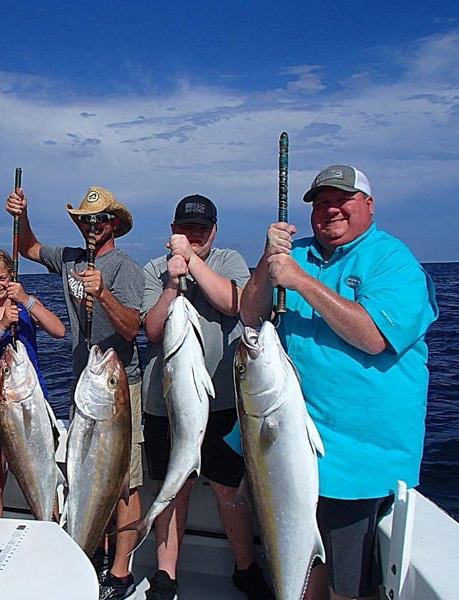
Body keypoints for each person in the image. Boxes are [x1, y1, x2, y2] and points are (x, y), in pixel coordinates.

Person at [239, 165, 438, 600]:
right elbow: (249, 315)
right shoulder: (298, 253)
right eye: (321, 202)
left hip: (356, 460)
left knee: (347, 585)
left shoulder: (392, 260)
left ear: (368, 205)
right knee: (297, 570)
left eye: (342, 200)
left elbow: (373, 337)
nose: (330, 210)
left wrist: (299, 281)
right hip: (289, 446)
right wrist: (266, 262)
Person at [6, 185, 143, 600]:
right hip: (84, 388)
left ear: (114, 224)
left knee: (125, 481)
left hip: (119, 388)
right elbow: (26, 246)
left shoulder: (125, 268)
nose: (91, 225)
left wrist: (103, 292)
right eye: (85, 219)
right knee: (85, 474)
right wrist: (22, 213)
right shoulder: (68, 259)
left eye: (99, 219)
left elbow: (133, 329)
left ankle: (120, 574)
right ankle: (91, 557)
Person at [141, 195, 274, 600]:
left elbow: (236, 304)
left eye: (200, 229)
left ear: (214, 231)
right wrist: (171, 282)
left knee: (227, 487)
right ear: (172, 229)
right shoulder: (153, 268)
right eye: (184, 228)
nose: (193, 235)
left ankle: (245, 567)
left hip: (221, 403)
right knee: (173, 485)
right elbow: (152, 329)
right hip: (166, 405)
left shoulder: (228, 260)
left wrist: (192, 264)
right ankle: (165, 576)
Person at [0, 249, 66, 517]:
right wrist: (1, 326)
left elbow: (59, 331)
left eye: (2, 277)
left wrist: (25, 300)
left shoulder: (25, 304)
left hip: (34, 406)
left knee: (45, 472)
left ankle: (50, 528)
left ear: (12, 276)